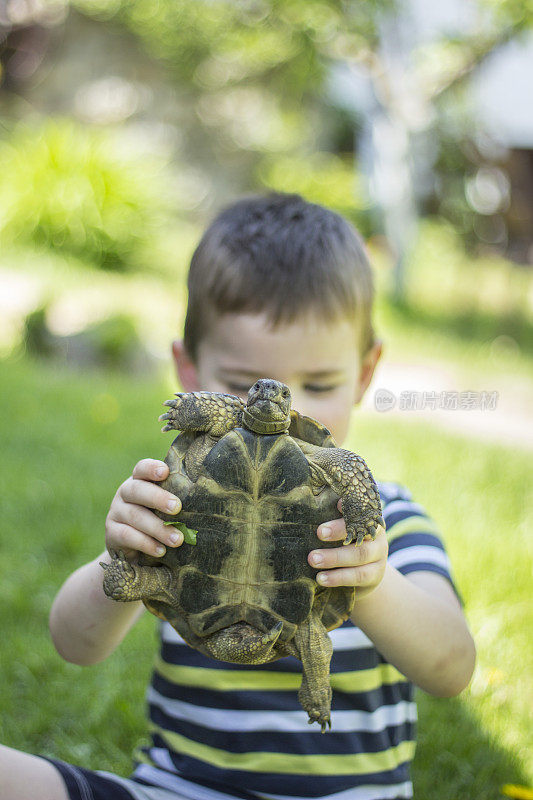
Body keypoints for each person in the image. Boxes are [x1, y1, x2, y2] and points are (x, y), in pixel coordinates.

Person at [1, 193, 476, 800]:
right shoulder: (171, 504)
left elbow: (452, 668)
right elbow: (74, 644)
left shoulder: (389, 520)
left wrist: (372, 579)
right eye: (242, 383)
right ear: (189, 371)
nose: (283, 402)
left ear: (365, 374)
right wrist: (128, 554)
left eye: (320, 383)